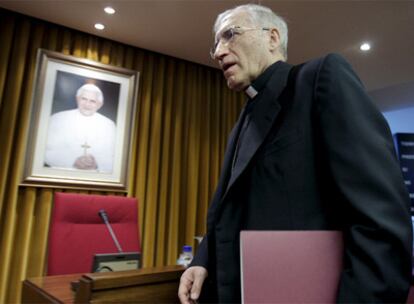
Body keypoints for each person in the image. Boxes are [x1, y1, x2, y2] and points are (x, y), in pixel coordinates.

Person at [178, 4, 412, 304]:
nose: (219, 52)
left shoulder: (319, 78)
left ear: (272, 38)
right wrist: (202, 260)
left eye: (230, 35)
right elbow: (230, 213)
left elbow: (382, 219)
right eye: (216, 45)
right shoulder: (241, 120)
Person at [45, 83, 116, 173]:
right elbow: (44, 151)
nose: (87, 104)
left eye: (92, 101)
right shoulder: (57, 118)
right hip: (62, 175)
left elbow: (116, 158)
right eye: (84, 99)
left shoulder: (109, 125)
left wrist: (97, 164)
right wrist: (72, 161)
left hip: (96, 180)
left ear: (99, 104)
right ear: (77, 99)